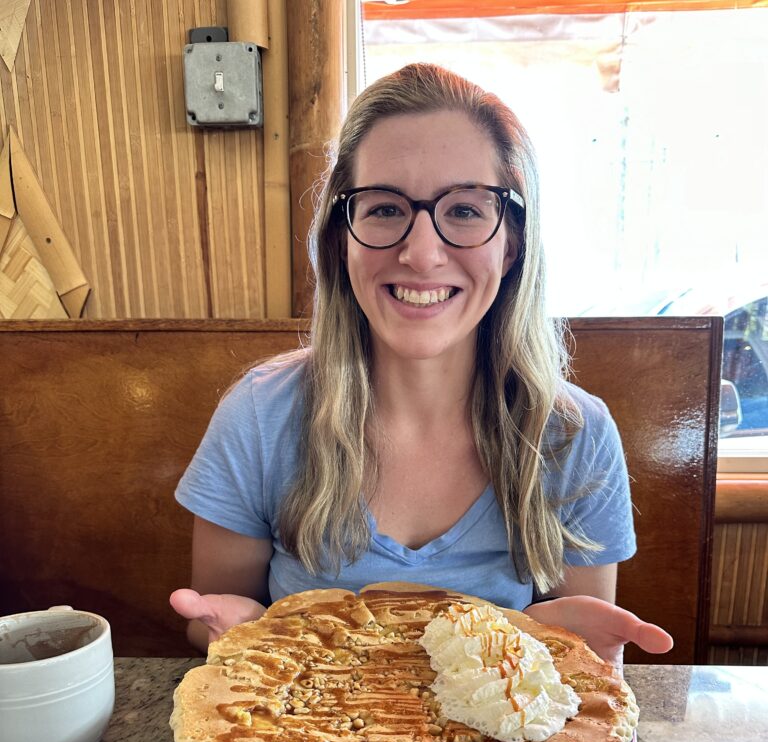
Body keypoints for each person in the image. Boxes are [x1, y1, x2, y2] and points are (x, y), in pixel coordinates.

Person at [170, 62, 673, 668]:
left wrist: (571, 651)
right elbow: (216, 620)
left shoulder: (573, 434)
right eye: (384, 209)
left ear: (512, 241)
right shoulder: (260, 413)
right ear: (341, 237)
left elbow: (583, 671)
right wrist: (241, 628)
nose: (421, 253)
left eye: (464, 210)